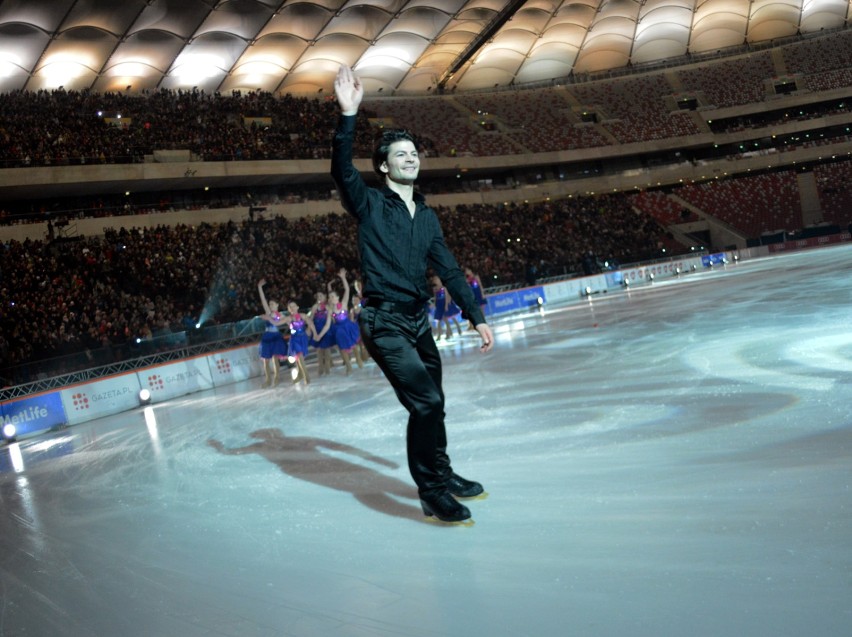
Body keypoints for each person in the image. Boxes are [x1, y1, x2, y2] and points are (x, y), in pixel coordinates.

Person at [331, 64, 494, 524]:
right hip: (383, 324)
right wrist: (349, 114)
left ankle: (441, 472)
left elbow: (450, 270)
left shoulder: (427, 216)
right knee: (427, 402)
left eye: (413, 153)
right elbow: (341, 168)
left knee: (432, 405)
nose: (410, 158)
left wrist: (475, 315)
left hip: (418, 321)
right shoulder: (368, 203)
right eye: (400, 155)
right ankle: (432, 492)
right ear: (383, 166)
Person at [256, 279, 288, 387]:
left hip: (276, 336)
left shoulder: (281, 316)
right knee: (266, 360)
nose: (270, 305)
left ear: (277, 305)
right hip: (267, 337)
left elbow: (289, 322)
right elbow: (263, 299)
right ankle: (268, 379)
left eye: (272, 304)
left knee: (275, 358)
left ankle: (277, 377)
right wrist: (260, 287)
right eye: (270, 304)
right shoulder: (268, 313)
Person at [284, 300, 315, 385]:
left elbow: (310, 322)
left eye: (293, 306)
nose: (292, 308)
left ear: (297, 307)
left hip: (302, 338)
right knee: (299, 357)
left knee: (299, 359)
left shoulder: (302, 316)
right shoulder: (288, 318)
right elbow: (278, 320)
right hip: (294, 340)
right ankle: (306, 377)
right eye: (290, 307)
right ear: (288, 310)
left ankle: (300, 374)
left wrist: (313, 332)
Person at [431, 274, 463, 340]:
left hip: (445, 305)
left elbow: (447, 296)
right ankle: (442, 334)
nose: (435, 281)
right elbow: (435, 297)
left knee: (451, 318)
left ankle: (455, 330)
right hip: (439, 306)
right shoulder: (435, 288)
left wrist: (446, 305)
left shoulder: (444, 288)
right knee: (440, 321)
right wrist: (434, 304)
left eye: (436, 279)